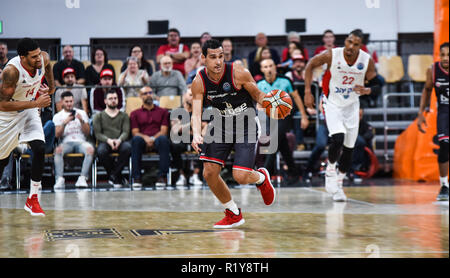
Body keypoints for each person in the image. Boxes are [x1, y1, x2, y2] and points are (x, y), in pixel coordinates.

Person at [190, 39, 277, 229]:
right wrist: (196, 134)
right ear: (203, 58)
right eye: (213, 57)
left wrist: (268, 102)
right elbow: (196, 113)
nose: (218, 61)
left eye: (220, 56)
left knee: (240, 176)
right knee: (210, 172)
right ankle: (233, 213)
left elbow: (257, 95)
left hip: (246, 123)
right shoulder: (199, 82)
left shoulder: (239, 73)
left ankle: (261, 178)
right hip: (221, 124)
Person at [304, 29, 381, 202]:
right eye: (349, 42)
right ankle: (330, 171)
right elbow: (310, 65)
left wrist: (367, 90)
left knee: (349, 149)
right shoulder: (332, 55)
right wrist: (308, 92)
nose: (350, 47)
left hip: (352, 105)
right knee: (338, 137)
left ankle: (339, 185)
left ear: (361, 46)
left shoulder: (366, 61)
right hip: (332, 103)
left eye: (355, 44)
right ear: (345, 41)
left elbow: (376, 84)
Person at [0, 37, 55, 216]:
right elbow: (2, 105)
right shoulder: (11, 72)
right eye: (33, 57)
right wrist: (35, 103)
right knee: (2, 160)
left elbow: (48, 66)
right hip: (8, 114)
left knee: (40, 148)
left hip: (30, 108)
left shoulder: (43, 58)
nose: (38, 59)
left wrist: (52, 88)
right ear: (22, 58)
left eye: (39, 54)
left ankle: (33, 199)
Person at [257, 58, 309, 182]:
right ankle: (294, 172)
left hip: (285, 113)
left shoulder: (285, 81)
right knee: (282, 144)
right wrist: (260, 109)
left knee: (274, 140)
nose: (269, 69)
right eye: (266, 67)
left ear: (275, 67)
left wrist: (304, 116)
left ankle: (265, 175)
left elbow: (296, 98)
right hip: (270, 116)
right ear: (262, 70)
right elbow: (258, 104)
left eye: (271, 66)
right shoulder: (259, 84)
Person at [417, 42, 449, 201]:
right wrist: (421, 112)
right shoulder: (433, 70)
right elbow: (427, 89)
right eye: (442, 55)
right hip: (444, 111)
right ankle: (444, 185)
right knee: (444, 144)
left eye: (448, 55)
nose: (445, 58)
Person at [130, 86, 170, 189]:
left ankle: (162, 176)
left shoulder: (163, 112)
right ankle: (137, 177)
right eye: (145, 93)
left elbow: (164, 131)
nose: (148, 95)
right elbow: (135, 132)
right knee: (136, 140)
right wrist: (146, 138)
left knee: (164, 139)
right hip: (142, 140)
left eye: (150, 92)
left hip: (157, 139)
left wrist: (152, 138)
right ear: (140, 96)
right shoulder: (134, 114)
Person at [53, 91, 94, 188]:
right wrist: (65, 122)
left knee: (90, 149)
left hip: (81, 142)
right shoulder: (58, 116)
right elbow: (57, 135)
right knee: (57, 150)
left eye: (71, 101)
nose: (69, 104)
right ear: (62, 102)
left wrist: (81, 121)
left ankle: (83, 178)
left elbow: (87, 133)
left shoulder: (82, 113)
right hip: (66, 142)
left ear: (73, 101)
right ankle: (59, 179)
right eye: (66, 102)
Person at [93, 90, 131, 188]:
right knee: (101, 151)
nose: (113, 100)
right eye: (110, 98)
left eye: (115, 98)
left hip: (120, 141)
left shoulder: (124, 115)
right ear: (105, 101)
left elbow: (126, 132)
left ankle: (113, 175)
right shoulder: (98, 116)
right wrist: (109, 140)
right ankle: (118, 176)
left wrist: (119, 140)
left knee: (127, 148)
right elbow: (97, 134)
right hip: (105, 142)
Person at [170, 89, 207, 187]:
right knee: (175, 145)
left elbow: (205, 128)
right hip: (181, 138)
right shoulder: (177, 111)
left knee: (204, 143)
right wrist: (193, 124)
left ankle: (195, 174)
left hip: (195, 136)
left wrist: (185, 126)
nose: (193, 98)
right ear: (184, 96)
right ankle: (181, 174)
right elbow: (175, 129)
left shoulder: (200, 110)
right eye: (191, 95)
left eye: (194, 95)